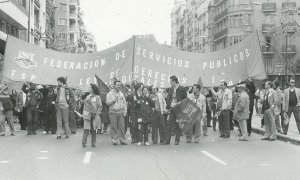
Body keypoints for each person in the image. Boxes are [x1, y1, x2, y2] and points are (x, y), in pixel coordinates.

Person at [162, 75, 187, 145]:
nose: (170, 83)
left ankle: (177, 140)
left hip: (178, 109)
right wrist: (167, 108)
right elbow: (169, 99)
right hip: (171, 109)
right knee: (168, 124)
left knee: (177, 125)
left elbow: (185, 99)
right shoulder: (171, 89)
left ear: (174, 81)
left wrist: (180, 102)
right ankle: (167, 140)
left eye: (170, 81)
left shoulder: (182, 89)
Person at [106, 80, 128, 145]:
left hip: (120, 112)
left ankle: (122, 140)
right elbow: (107, 103)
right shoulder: (110, 93)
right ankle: (114, 140)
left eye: (120, 85)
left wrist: (125, 110)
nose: (119, 86)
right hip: (113, 112)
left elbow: (124, 103)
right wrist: (114, 99)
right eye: (118, 85)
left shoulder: (121, 93)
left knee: (122, 127)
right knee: (113, 127)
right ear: (114, 85)